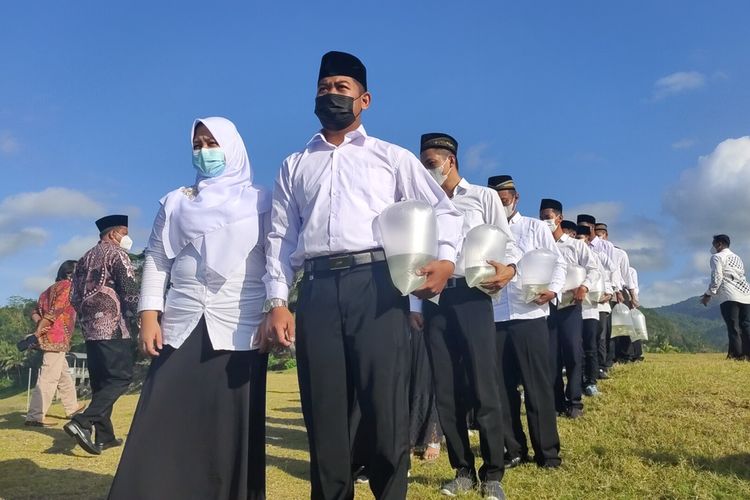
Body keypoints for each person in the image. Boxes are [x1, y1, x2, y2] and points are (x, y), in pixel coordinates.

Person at [263, 51, 463, 500]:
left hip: (377, 286)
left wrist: (446, 260)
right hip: (315, 291)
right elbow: (280, 237)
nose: (330, 95)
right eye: (323, 88)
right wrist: (278, 301)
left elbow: (443, 212)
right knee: (324, 411)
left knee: (384, 407)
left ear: (365, 99)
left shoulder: (390, 158)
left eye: (341, 88)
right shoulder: (295, 165)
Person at [108, 117, 271, 500]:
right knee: (162, 417)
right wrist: (149, 313)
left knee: (227, 427)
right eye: (197, 144)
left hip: (240, 324)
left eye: (212, 143)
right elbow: (158, 261)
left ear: (232, 147)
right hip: (180, 323)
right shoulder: (177, 201)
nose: (204, 151)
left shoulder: (262, 200)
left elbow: (275, 258)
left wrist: (273, 307)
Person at [412, 133, 519, 499]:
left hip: (473, 297)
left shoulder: (483, 198)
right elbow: (415, 255)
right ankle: (461, 469)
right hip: (436, 300)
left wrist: (512, 269)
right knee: (445, 387)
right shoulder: (422, 203)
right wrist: (415, 306)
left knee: (483, 382)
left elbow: (509, 243)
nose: (427, 172)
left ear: (449, 162)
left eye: (430, 164)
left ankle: (493, 473)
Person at [488, 175, 564, 469]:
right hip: (495, 316)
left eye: (504, 199)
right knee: (502, 388)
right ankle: (514, 449)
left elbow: (558, 261)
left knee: (537, 386)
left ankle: (548, 453)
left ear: (516, 197)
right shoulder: (487, 231)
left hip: (529, 314)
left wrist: (554, 290)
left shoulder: (534, 227)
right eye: (495, 200)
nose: (501, 204)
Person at [65, 214, 138, 455]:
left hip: (90, 331)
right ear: (112, 234)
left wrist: (88, 318)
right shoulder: (116, 254)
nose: (127, 239)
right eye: (124, 234)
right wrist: (139, 319)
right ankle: (83, 422)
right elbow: (129, 290)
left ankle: (105, 437)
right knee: (119, 378)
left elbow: (73, 296)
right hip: (114, 328)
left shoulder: (84, 258)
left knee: (101, 384)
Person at [539, 199, 600, 418]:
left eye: (548, 216)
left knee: (573, 353)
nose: (545, 221)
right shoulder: (540, 246)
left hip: (570, 306)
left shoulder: (575, 246)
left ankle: (574, 401)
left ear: (559, 218)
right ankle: (556, 403)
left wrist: (584, 287)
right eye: (542, 217)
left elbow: (594, 269)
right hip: (547, 307)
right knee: (551, 357)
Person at [25, 260, 85, 427]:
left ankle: (72, 408)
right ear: (70, 274)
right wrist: (39, 331)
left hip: (50, 337)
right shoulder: (67, 286)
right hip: (56, 337)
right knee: (49, 376)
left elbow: (34, 312)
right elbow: (55, 311)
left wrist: (39, 326)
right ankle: (35, 416)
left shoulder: (47, 291)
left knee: (63, 374)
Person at [700, 234, 750, 360]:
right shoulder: (737, 258)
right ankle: (747, 354)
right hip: (746, 293)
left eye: (714, 244)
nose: (713, 247)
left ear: (719, 244)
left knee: (733, 326)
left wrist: (708, 294)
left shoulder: (717, 257)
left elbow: (717, 277)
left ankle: (736, 355)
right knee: (746, 325)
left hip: (729, 294)